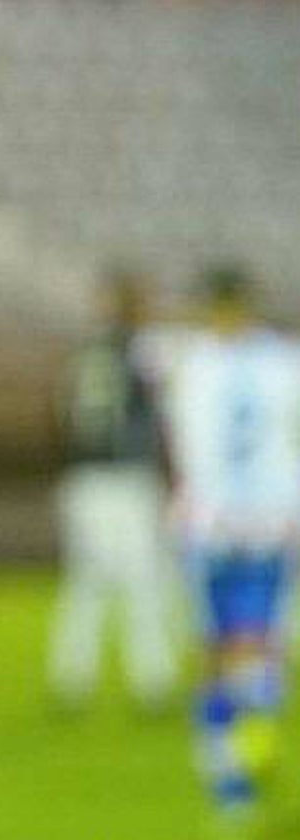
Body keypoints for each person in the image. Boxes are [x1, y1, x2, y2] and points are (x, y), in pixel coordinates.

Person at [160, 265, 300, 817]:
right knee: (243, 643)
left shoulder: (191, 365)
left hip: (233, 522)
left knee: (232, 644)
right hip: (255, 520)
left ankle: (233, 764)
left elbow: (180, 445)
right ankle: (241, 755)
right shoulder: (283, 360)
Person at [47, 268, 178, 710]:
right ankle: (152, 679)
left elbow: (60, 416)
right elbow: (163, 410)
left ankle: (72, 678)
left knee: (87, 582)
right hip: (127, 475)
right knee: (143, 579)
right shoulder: (142, 350)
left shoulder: (84, 352)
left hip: (83, 476)